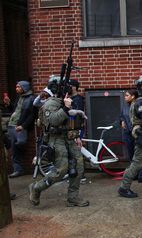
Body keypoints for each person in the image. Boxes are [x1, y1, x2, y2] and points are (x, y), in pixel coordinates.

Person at [28, 75, 89, 207]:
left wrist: (77, 136)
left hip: (70, 138)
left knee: (78, 166)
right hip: (56, 140)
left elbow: (71, 122)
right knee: (61, 170)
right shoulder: (50, 104)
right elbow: (54, 120)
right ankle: (37, 187)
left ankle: (73, 198)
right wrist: (66, 108)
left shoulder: (65, 101)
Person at [4, 80, 35, 178]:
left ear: (24, 88)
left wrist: (23, 126)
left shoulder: (31, 99)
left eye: (18, 87)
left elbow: (31, 115)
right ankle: (18, 169)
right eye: (16, 87)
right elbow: (15, 111)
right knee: (13, 148)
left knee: (20, 143)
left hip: (20, 126)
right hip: (12, 125)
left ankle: (19, 164)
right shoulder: (19, 98)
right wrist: (9, 104)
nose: (16, 89)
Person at [120, 89, 142, 182]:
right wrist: (122, 121)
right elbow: (121, 116)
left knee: (140, 154)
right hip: (127, 133)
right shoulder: (125, 106)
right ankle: (134, 173)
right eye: (125, 96)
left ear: (133, 97)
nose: (125, 97)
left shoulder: (138, 105)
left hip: (137, 133)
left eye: (127, 95)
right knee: (131, 154)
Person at [69, 79, 87, 183]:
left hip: (76, 127)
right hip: (71, 127)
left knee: (77, 151)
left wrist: (76, 129)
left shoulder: (78, 99)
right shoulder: (68, 98)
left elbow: (77, 116)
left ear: (75, 87)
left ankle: (81, 175)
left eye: (70, 86)